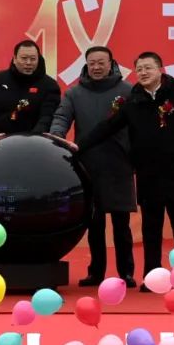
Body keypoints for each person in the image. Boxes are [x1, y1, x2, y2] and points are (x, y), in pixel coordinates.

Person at [74, 52, 174, 292]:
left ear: (160, 69)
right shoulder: (133, 100)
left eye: (148, 68)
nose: (143, 73)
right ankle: (153, 278)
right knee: (151, 230)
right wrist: (78, 146)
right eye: (139, 69)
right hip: (148, 175)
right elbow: (108, 127)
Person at [50, 46, 137, 288]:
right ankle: (96, 273)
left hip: (119, 164)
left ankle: (126, 273)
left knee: (121, 224)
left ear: (111, 64)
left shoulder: (128, 91)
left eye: (101, 63)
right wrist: (57, 136)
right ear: (86, 65)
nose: (96, 67)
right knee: (94, 224)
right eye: (92, 63)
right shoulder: (74, 93)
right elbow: (61, 117)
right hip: (88, 165)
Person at [0, 39, 61, 134]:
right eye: (24, 58)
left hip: (34, 141)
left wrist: (33, 138)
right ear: (15, 59)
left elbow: (47, 119)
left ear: (39, 59)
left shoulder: (50, 86)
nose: (28, 62)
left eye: (33, 59)